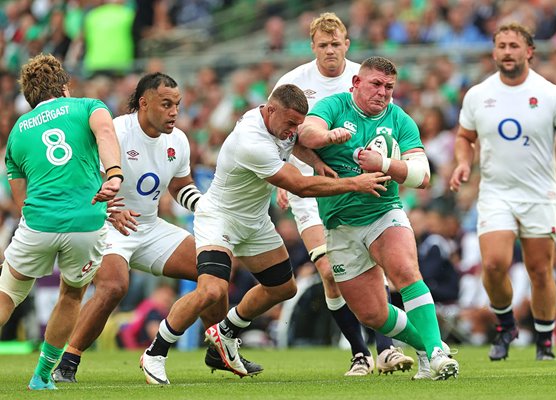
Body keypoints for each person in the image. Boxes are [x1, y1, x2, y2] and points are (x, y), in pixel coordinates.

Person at [141, 83, 390, 382]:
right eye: (290, 123)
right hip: (220, 220)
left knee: (284, 288)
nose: (293, 130)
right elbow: (299, 185)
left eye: (298, 123)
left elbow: (295, 142)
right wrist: (355, 183)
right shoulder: (251, 140)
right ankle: (155, 352)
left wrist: (317, 161)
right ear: (271, 110)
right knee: (212, 290)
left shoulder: (278, 123)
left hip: (255, 222)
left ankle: (225, 334)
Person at [51, 72, 257, 384]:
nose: (175, 111)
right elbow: (79, 176)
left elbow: (180, 185)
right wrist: (108, 208)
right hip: (105, 225)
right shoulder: (116, 130)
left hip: (148, 227)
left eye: (178, 104)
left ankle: (218, 348)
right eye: (166, 104)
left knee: (213, 271)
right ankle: (68, 362)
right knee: (114, 286)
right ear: (144, 103)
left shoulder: (179, 140)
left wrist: (202, 206)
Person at [297, 56, 459, 381]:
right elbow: (306, 133)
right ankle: (430, 347)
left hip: (384, 213)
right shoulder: (334, 106)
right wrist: (331, 137)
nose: (383, 92)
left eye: (389, 87)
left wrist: (383, 163)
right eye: (376, 84)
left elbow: (422, 175)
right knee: (371, 313)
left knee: (405, 272)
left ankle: (439, 354)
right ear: (356, 83)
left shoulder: (400, 120)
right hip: (339, 225)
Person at [273, 12, 413, 376]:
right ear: (313, 46)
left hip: (361, 187)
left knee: (373, 267)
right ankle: (359, 352)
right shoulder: (293, 83)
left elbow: (389, 125)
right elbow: (279, 135)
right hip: (309, 189)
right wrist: (285, 179)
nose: (330, 50)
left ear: (347, 44)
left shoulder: (364, 78)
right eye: (323, 45)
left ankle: (386, 349)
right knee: (329, 272)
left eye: (336, 43)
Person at [449, 23, 556, 361]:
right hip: (496, 192)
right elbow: (464, 137)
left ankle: (544, 338)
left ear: (529, 52)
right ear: (494, 52)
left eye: (514, 45)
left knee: (540, 269)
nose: (507, 52)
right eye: (501, 46)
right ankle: (506, 326)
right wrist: (463, 163)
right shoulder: (478, 95)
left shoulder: (550, 93)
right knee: (494, 264)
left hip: (540, 193)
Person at [0, 53, 122, 390]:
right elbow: (107, 134)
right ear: (64, 86)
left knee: (7, 294)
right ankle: (42, 376)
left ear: (30, 96)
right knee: (70, 296)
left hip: (38, 224)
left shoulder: (18, 132)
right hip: (86, 224)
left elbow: (20, 200)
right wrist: (113, 174)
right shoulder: (87, 106)